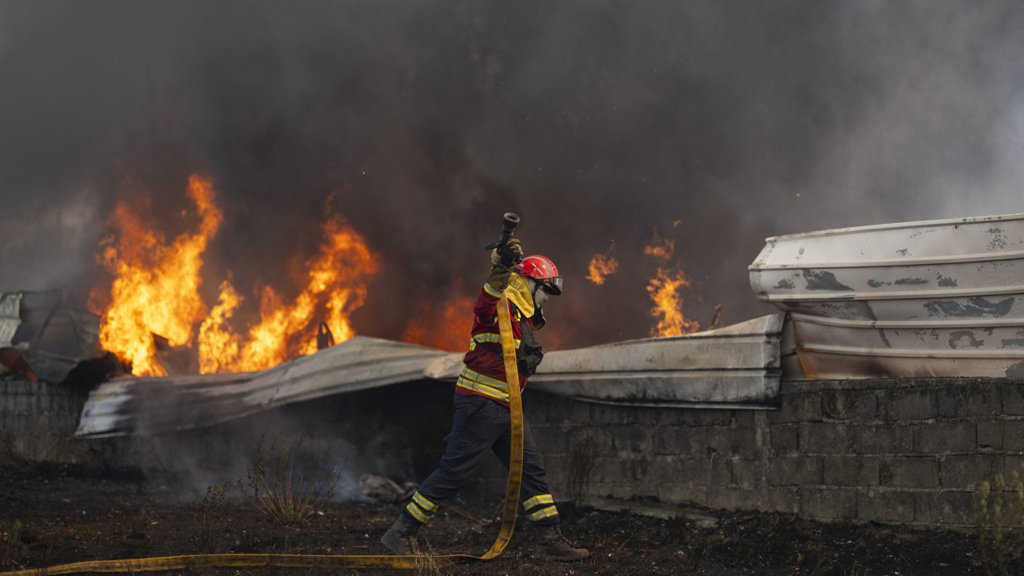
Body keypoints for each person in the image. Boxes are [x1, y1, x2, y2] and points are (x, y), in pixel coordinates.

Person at [380, 238, 589, 562]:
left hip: (507, 407)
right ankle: (402, 531)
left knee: (531, 470)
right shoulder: (499, 305)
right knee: (453, 473)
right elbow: (485, 302)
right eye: (545, 290)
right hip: (481, 404)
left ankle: (549, 538)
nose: (547, 298)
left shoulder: (521, 319)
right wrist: (500, 268)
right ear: (529, 283)